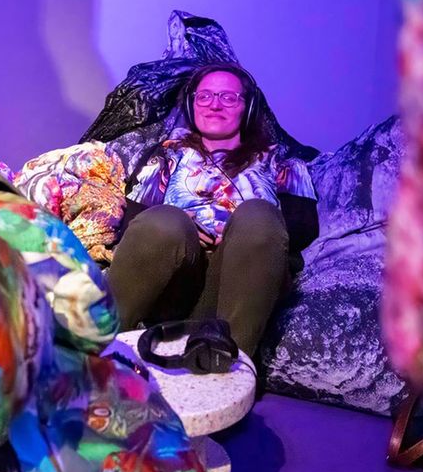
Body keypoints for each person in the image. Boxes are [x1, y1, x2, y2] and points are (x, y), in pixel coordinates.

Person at [106, 62, 318, 359]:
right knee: (164, 219)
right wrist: (183, 223)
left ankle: (228, 362)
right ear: (191, 105)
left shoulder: (283, 162)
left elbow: (304, 226)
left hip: (244, 280)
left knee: (257, 215)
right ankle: (97, 350)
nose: (214, 105)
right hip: (178, 280)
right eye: (204, 96)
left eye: (228, 97)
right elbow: (134, 218)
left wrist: (235, 229)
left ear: (248, 107)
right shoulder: (167, 156)